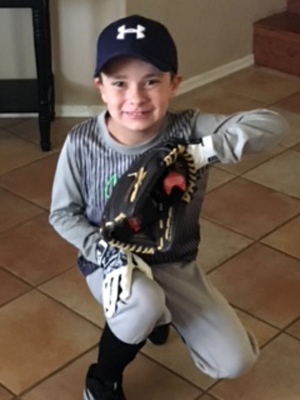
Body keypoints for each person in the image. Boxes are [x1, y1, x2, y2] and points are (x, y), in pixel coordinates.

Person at [49, 14, 287, 400]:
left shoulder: (188, 128)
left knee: (235, 361)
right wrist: (103, 252)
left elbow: (273, 125)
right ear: (101, 88)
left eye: (151, 82)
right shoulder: (82, 143)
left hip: (172, 259)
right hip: (110, 261)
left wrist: (203, 151)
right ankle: (103, 378)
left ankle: (158, 315)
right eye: (120, 83)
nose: (136, 98)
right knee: (142, 301)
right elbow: (62, 213)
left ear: (174, 84)